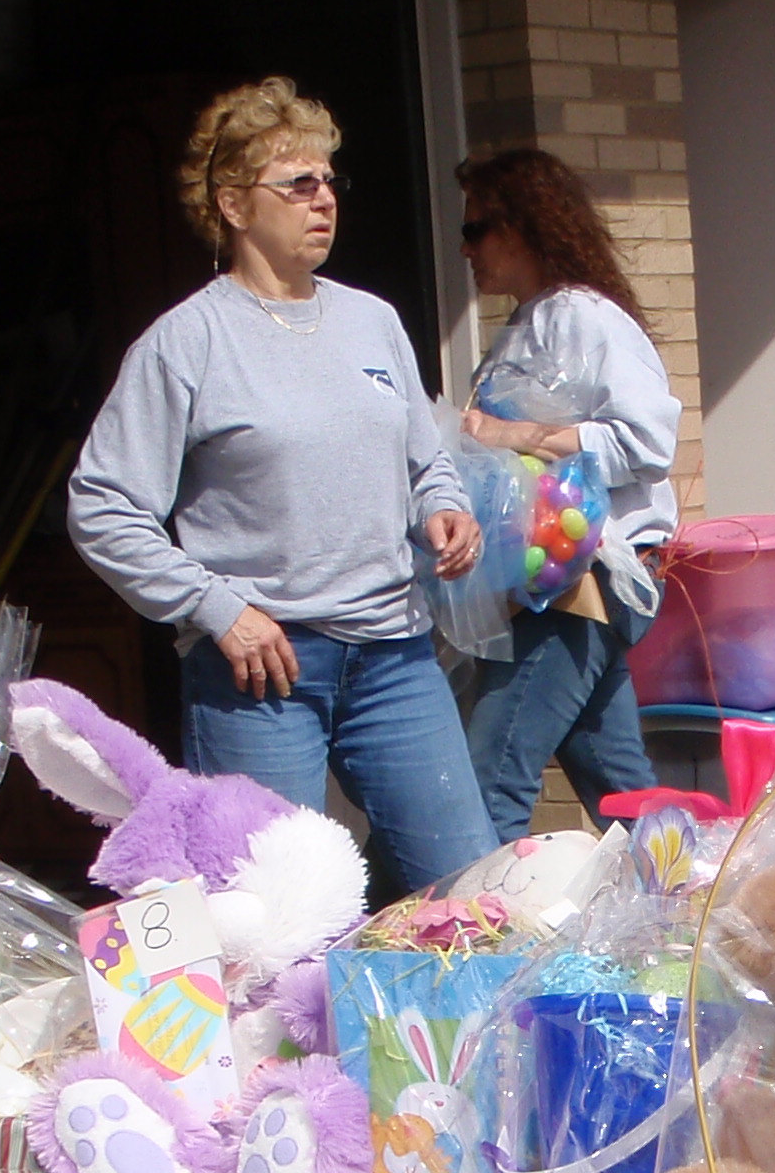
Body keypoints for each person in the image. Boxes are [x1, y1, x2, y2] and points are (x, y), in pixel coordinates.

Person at [68, 76, 494, 893]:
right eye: (297, 183)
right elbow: (103, 508)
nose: (323, 198)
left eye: (329, 179)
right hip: (263, 674)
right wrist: (216, 608)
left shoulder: (373, 321)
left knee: (468, 887)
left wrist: (443, 506)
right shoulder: (186, 344)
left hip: (396, 655)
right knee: (274, 911)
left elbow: (424, 460)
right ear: (233, 205)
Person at [451, 147, 682, 845]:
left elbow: (647, 442)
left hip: (583, 579)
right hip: (547, 578)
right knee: (621, 786)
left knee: (490, 781)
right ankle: (689, 898)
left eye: (475, 230)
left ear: (521, 226)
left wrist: (512, 435)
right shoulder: (524, 325)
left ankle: (476, 916)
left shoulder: (583, 317)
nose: (464, 250)